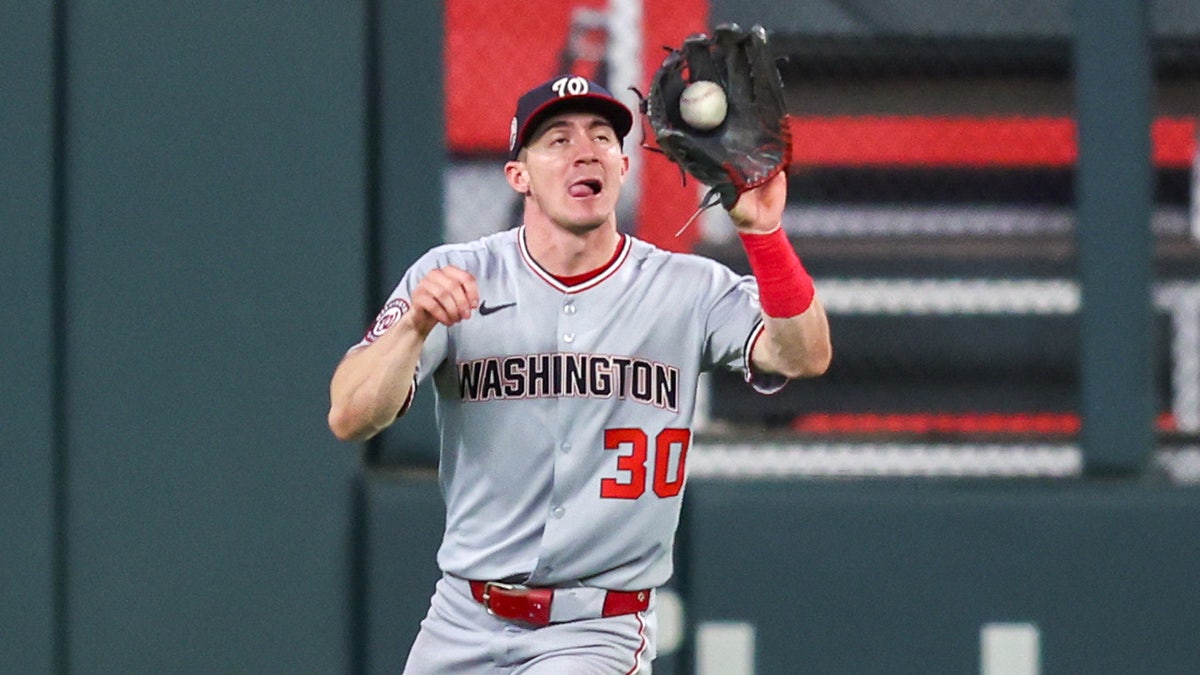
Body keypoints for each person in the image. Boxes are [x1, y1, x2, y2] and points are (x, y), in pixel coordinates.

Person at [327, 74, 831, 674]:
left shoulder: (684, 288)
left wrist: (763, 234)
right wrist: (412, 328)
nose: (584, 149)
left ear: (621, 166)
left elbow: (804, 355)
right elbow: (349, 416)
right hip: (461, 618)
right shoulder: (454, 274)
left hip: (597, 630)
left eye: (600, 135)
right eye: (557, 139)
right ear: (520, 176)